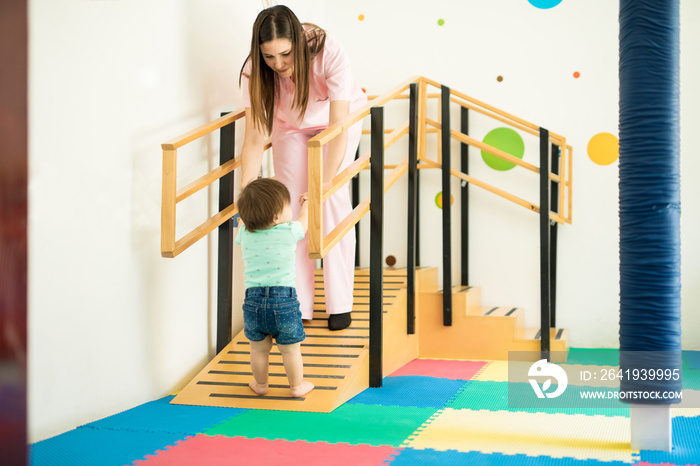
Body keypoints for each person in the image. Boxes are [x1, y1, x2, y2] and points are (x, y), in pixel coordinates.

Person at [239, 5, 367, 331]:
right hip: (291, 125)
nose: (278, 65)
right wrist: (244, 197)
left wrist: (322, 187)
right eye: (269, 57)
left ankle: (340, 303)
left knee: (331, 200)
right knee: (290, 206)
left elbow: (337, 129)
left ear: (299, 41)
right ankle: (299, 303)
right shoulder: (254, 71)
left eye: (285, 54)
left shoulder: (329, 52)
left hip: (338, 121)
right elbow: (254, 140)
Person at [235, 178, 314, 398]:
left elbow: (242, 221)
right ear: (277, 216)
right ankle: (296, 387)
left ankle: (261, 385)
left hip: (253, 302)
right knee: (290, 349)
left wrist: (247, 212)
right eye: (287, 207)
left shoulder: (245, 234)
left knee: (258, 349)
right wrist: (307, 203)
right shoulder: (289, 230)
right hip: (284, 301)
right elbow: (304, 222)